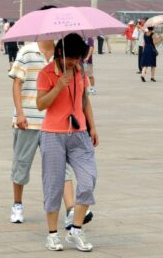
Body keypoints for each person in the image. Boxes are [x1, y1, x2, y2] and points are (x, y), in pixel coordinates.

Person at [8, 11, 92, 229]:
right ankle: (17, 204)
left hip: (57, 126)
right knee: (22, 163)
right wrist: (20, 113)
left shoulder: (63, 54)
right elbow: (16, 84)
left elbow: (81, 95)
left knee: (63, 170)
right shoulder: (27, 51)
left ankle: (71, 209)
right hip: (29, 119)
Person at [36, 34, 99, 252]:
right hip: (53, 134)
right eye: (71, 58)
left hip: (79, 133)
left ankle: (76, 230)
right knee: (53, 185)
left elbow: (84, 100)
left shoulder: (80, 71)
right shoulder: (46, 73)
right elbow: (40, 104)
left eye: (77, 58)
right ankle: (52, 234)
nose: (74, 62)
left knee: (88, 179)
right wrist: (58, 86)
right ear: (60, 53)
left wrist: (92, 126)